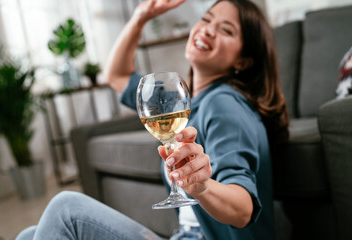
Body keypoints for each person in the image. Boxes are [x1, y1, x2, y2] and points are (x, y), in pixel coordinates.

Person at [16, 0, 288, 239]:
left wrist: (202, 187)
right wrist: (141, 15)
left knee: (66, 209)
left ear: (243, 61)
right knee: (31, 234)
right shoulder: (185, 101)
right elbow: (117, 76)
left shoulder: (225, 104)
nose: (207, 29)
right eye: (206, 19)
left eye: (226, 30)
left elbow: (243, 209)